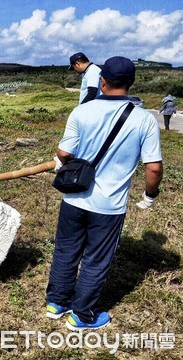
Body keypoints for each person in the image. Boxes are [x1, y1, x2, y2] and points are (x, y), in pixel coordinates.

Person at [47, 56, 163, 330]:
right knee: (96, 259)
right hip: (109, 206)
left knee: (65, 250)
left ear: (102, 81)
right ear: (132, 83)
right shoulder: (144, 120)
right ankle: (82, 315)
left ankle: (56, 303)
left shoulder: (81, 112)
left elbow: (63, 153)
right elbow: (154, 169)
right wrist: (149, 196)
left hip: (74, 198)